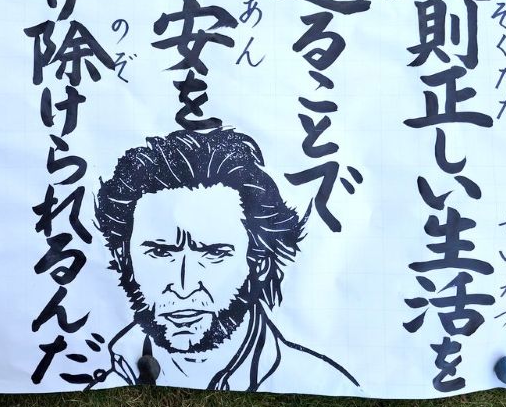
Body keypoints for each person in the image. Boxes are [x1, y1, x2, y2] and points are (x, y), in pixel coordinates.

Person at [89, 128, 359, 392]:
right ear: (124, 258)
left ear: (259, 264)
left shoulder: (320, 378)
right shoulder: (100, 372)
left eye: (214, 253)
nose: (184, 287)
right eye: (160, 252)